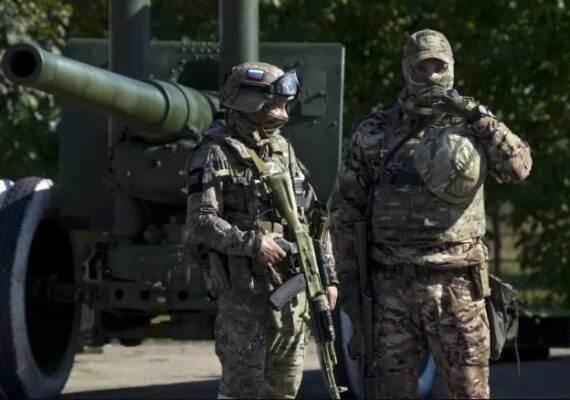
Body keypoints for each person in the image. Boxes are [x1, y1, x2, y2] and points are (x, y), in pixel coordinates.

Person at [330, 29, 532, 399]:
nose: (432, 76)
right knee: (391, 392)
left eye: (439, 67)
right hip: (391, 287)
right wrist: (349, 286)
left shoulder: (472, 125)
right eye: (421, 68)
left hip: (457, 285)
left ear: (451, 67)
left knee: (469, 392)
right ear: (407, 70)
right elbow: (345, 211)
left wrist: (477, 115)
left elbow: (517, 169)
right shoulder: (375, 131)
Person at [185, 62, 338, 399]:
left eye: (285, 103)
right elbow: (200, 222)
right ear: (249, 103)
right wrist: (253, 243)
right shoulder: (215, 153)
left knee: (283, 391)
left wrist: (327, 277)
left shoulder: (282, 150)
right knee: (242, 392)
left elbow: (314, 218)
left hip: (291, 296)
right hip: (245, 301)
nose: (284, 111)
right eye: (275, 103)